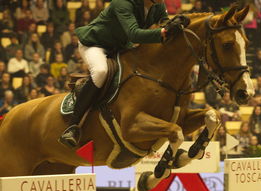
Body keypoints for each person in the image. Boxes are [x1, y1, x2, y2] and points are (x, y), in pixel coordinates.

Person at [59, 0, 186, 148]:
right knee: (101, 72)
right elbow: (134, 34)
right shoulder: (123, 3)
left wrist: (175, 23)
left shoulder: (157, 5)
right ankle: (73, 125)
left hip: (120, 47)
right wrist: (164, 32)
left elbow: (163, 23)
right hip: (95, 44)